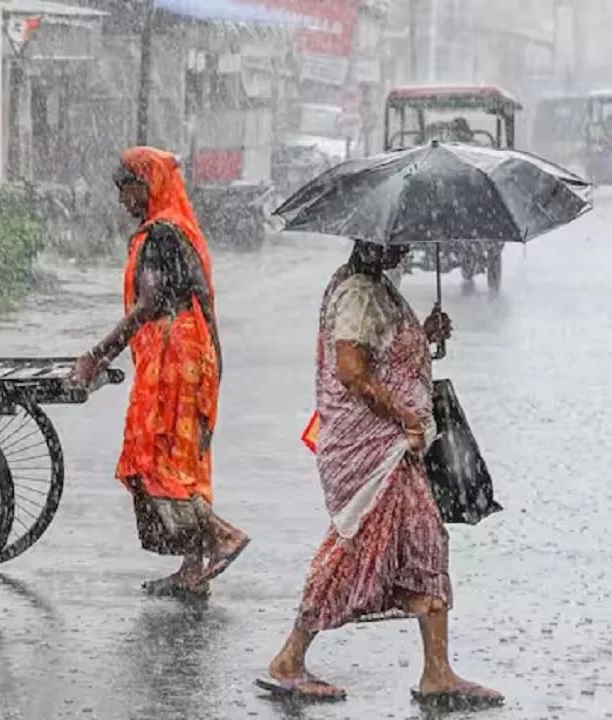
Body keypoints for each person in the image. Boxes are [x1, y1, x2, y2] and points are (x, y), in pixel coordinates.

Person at [259, 240, 502, 707]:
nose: (406, 247)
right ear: (373, 239)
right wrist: (404, 416)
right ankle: (289, 659)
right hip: (375, 449)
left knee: (426, 541)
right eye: (398, 241)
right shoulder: (358, 293)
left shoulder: (375, 287)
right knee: (357, 546)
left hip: (397, 450)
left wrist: (424, 337)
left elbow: (383, 353)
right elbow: (353, 371)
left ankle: (438, 672)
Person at [71, 146, 250, 599]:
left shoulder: (160, 236)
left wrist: (98, 354)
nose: (122, 200)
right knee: (185, 458)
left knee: (154, 456)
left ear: (147, 185)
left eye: (127, 189)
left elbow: (148, 305)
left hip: (174, 356)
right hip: (193, 353)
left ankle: (222, 536)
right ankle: (193, 570)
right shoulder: (181, 231)